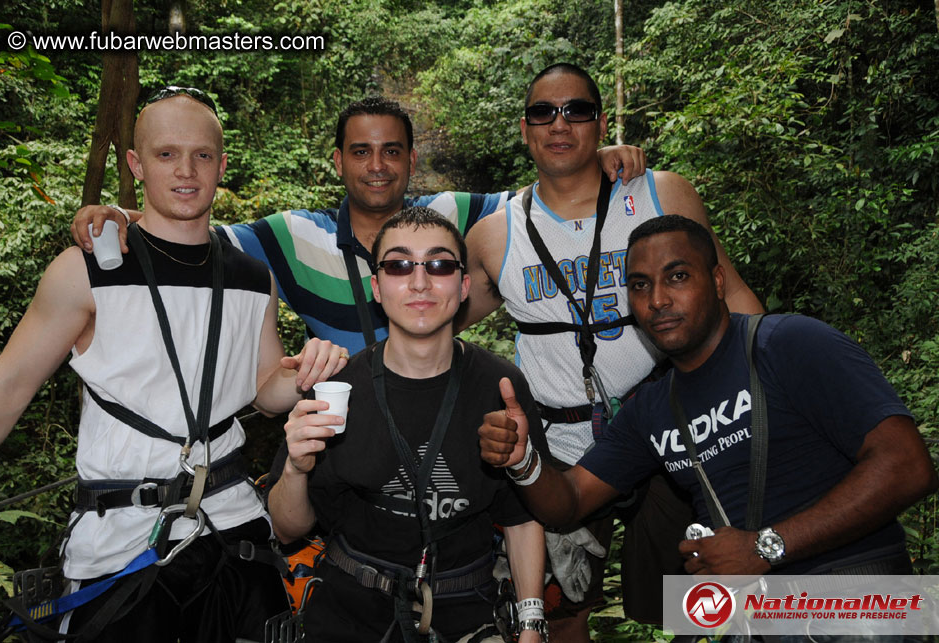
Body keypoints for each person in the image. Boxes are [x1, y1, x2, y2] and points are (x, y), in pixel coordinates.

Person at [0, 87, 346, 640]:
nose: (186, 170)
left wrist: (307, 372)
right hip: (120, 541)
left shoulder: (250, 276)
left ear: (222, 164)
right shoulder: (88, 271)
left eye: (202, 155)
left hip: (233, 527)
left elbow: (264, 390)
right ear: (136, 164)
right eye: (166, 154)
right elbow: (5, 388)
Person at [457, 63, 764, 638]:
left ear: (600, 124)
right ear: (524, 130)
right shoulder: (496, 234)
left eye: (576, 110)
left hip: (671, 425)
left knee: (705, 588)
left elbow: (734, 293)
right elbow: (428, 317)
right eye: (544, 113)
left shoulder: (657, 192)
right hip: (563, 445)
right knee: (566, 600)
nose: (560, 123)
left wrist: (773, 385)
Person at [479, 214, 937, 583]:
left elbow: (908, 465)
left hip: (859, 593)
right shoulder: (652, 410)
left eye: (677, 276)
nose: (657, 300)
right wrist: (524, 460)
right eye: (639, 285)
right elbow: (571, 500)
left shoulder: (787, 344)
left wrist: (764, 547)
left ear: (717, 281)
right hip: (753, 614)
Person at [71, 95, 647, 355]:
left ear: (411, 160)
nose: (377, 167)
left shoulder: (453, 214)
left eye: (392, 152)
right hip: (338, 434)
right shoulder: (293, 237)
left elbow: (545, 198)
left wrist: (595, 158)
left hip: (437, 415)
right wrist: (124, 216)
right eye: (361, 152)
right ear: (338, 160)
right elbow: (189, 228)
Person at [269, 207, 550, 642]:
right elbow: (289, 528)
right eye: (400, 265)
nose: (420, 282)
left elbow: (521, 517)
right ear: (377, 288)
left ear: (464, 286)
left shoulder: (501, 386)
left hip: (467, 608)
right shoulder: (335, 389)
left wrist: (531, 624)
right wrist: (295, 469)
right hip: (350, 610)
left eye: (439, 265)